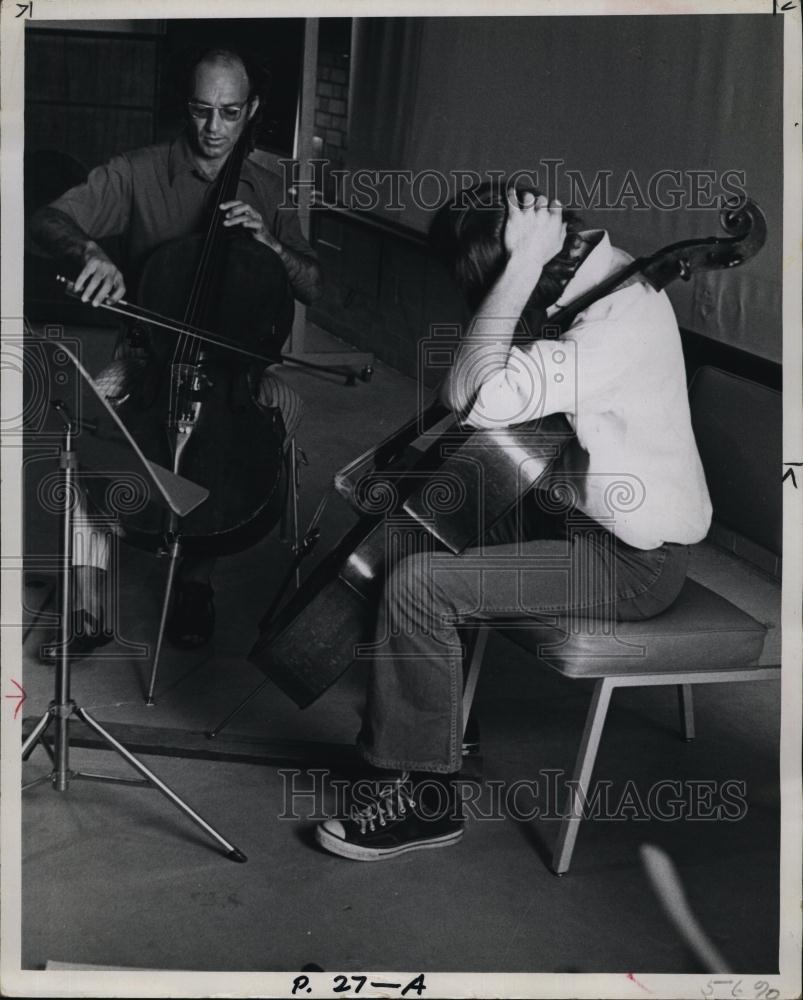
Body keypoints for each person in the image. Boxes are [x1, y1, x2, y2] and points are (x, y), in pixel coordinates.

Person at [313, 183, 712, 861]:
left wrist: (520, 263)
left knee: (420, 585)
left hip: (629, 562)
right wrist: (526, 263)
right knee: (435, 520)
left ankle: (427, 800)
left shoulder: (618, 320)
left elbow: (471, 393)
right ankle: (440, 727)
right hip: (577, 515)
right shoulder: (595, 285)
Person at [29, 46, 322, 655]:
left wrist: (271, 243)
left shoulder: (270, 187)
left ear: (252, 111)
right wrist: (90, 252)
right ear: (184, 107)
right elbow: (48, 220)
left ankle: (197, 578)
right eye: (200, 110)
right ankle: (90, 605)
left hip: (237, 370)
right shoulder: (138, 170)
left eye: (230, 113)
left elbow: (314, 283)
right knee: (86, 433)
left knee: (274, 420)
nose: (213, 129)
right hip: (149, 359)